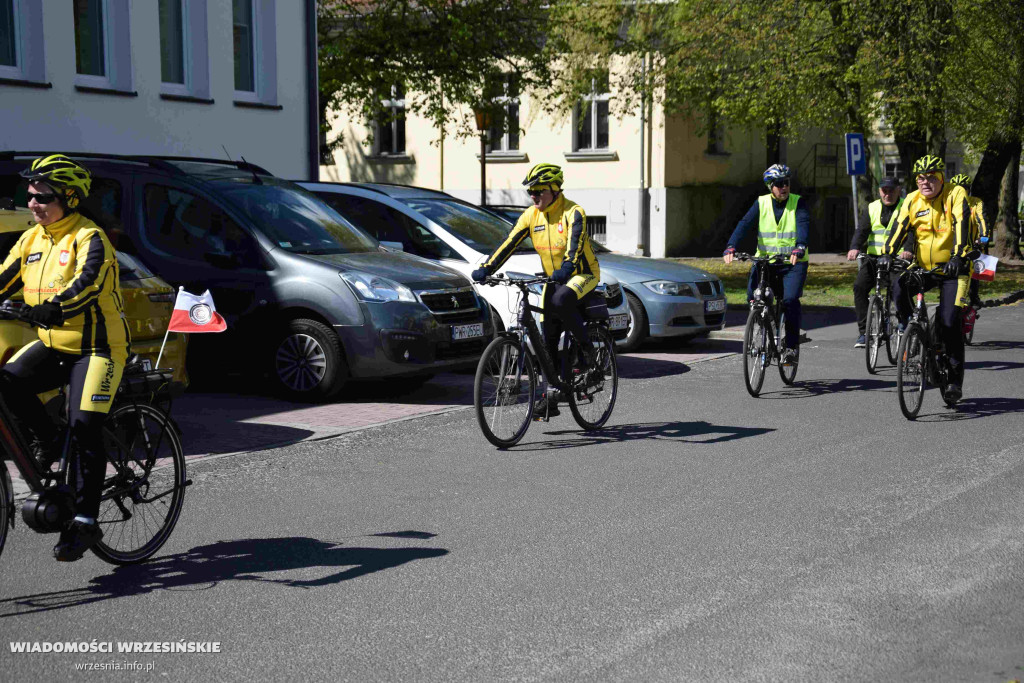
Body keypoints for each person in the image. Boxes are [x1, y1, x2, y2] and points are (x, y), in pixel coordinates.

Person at [0, 154, 130, 561]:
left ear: (70, 198)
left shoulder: (90, 237)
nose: (33, 203)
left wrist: (55, 306)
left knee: (84, 423)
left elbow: (86, 284)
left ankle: (86, 522)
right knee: (6, 381)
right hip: (56, 345)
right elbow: (2, 279)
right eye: (30, 195)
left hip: (97, 348)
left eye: (43, 197)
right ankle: (49, 440)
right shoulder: (31, 239)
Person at [471, 163, 599, 418]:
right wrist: (487, 267)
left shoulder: (574, 212)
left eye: (538, 191)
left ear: (553, 189)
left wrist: (566, 269)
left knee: (562, 300)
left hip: (582, 274)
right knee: (546, 339)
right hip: (554, 279)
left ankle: (588, 349)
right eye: (531, 192)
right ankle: (551, 394)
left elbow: (574, 251)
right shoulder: (531, 215)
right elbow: (509, 243)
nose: (533, 196)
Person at [883, 155, 971, 403]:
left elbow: (962, 225)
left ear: (941, 178)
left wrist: (959, 256)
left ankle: (954, 381)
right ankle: (912, 328)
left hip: (953, 269)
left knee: (950, 321)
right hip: (923, 267)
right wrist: (888, 254)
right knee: (899, 287)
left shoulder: (956, 194)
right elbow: (899, 228)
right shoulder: (912, 199)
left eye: (931, 177)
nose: (925, 182)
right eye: (921, 177)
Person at [722, 164, 809, 366]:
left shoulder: (798, 203)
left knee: (789, 300)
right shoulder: (761, 203)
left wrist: (800, 246)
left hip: (792, 263)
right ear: (771, 186)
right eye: (779, 184)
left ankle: (790, 348)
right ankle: (764, 322)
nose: (784, 187)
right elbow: (744, 224)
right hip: (766, 261)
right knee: (754, 297)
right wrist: (731, 246)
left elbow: (803, 224)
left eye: (786, 183)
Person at [847, 177, 905, 347]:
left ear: (898, 190)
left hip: (897, 259)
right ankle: (864, 333)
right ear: (879, 191)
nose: (887, 194)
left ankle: (903, 322)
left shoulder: (906, 206)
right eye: (884, 190)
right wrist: (855, 247)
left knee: (899, 290)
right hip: (873, 258)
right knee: (859, 287)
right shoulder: (872, 207)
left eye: (891, 190)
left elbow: (910, 233)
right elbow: (862, 230)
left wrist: (907, 252)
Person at [948, 173, 989, 307]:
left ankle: (974, 296)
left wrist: (983, 238)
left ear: (968, 189)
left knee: (974, 271)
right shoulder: (948, 202)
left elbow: (982, 221)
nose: (961, 191)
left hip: (971, 244)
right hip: (952, 244)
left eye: (964, 188)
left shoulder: (976, 202)